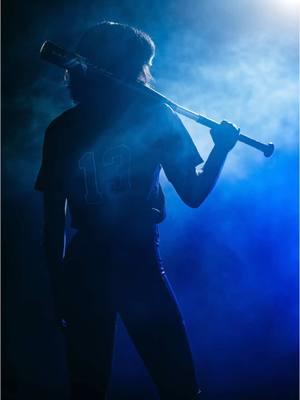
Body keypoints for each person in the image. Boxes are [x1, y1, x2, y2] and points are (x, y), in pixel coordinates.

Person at [35, 21, 240, 400]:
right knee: (177, 388)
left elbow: (53, 228)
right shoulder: (154, 113)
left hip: (88, 268)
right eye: (139, 65)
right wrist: (220, 150)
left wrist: (59, 288)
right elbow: (193, 193)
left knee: (89, 390)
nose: (143, 75)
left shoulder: (62, 128)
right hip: (135, 264)